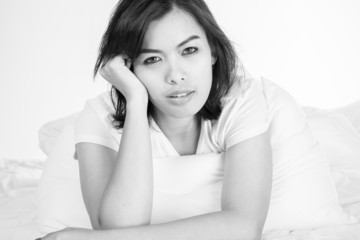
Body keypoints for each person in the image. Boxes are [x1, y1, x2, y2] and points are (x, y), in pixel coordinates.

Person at [39, 0, 350, 239]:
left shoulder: (239, 100)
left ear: (212, 51)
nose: (176, 76)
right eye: (152, 59)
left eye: (189, 50)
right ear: (128, 68)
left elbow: (244, 227)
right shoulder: (98, 116)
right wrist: (135, 101)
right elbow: (120, 226)